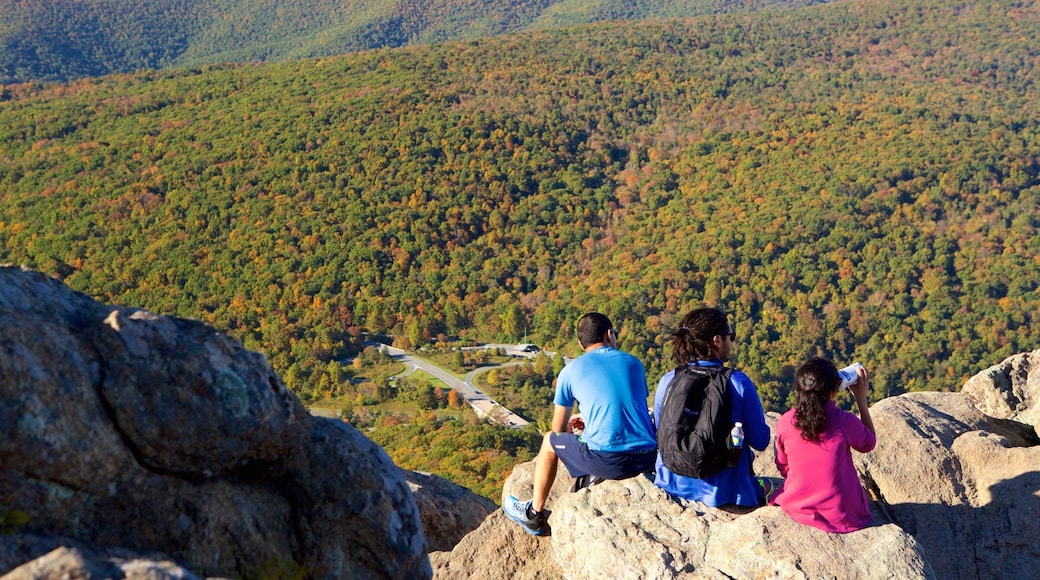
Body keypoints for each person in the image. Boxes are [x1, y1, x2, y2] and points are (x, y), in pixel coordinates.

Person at [503, 312, 657, 535]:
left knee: (548, 441)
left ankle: (534, 515)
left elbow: (557, 429)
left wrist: (574, 427)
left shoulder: (570, 371)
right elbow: (631, 409)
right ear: (608, 335)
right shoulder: (634, 363)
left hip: (609, 462)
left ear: (580, 343)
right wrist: (591, 421)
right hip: (646, 458)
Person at [653, 307, 770, 507]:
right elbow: (760, 440)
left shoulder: (669, 380)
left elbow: (660, 431)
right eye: (730, 337)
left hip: (671, 488)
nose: (732, 343)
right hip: (728, 496)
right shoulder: (738, 382)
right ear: (716, 340)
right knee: (769, 486)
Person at [771, 357, 876, 533]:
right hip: (841, 515)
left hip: (798, 505)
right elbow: (868, 443)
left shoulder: (785, 422)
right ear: (833, 390)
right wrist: (861, 400)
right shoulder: (844, 421)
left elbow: (783, 466)